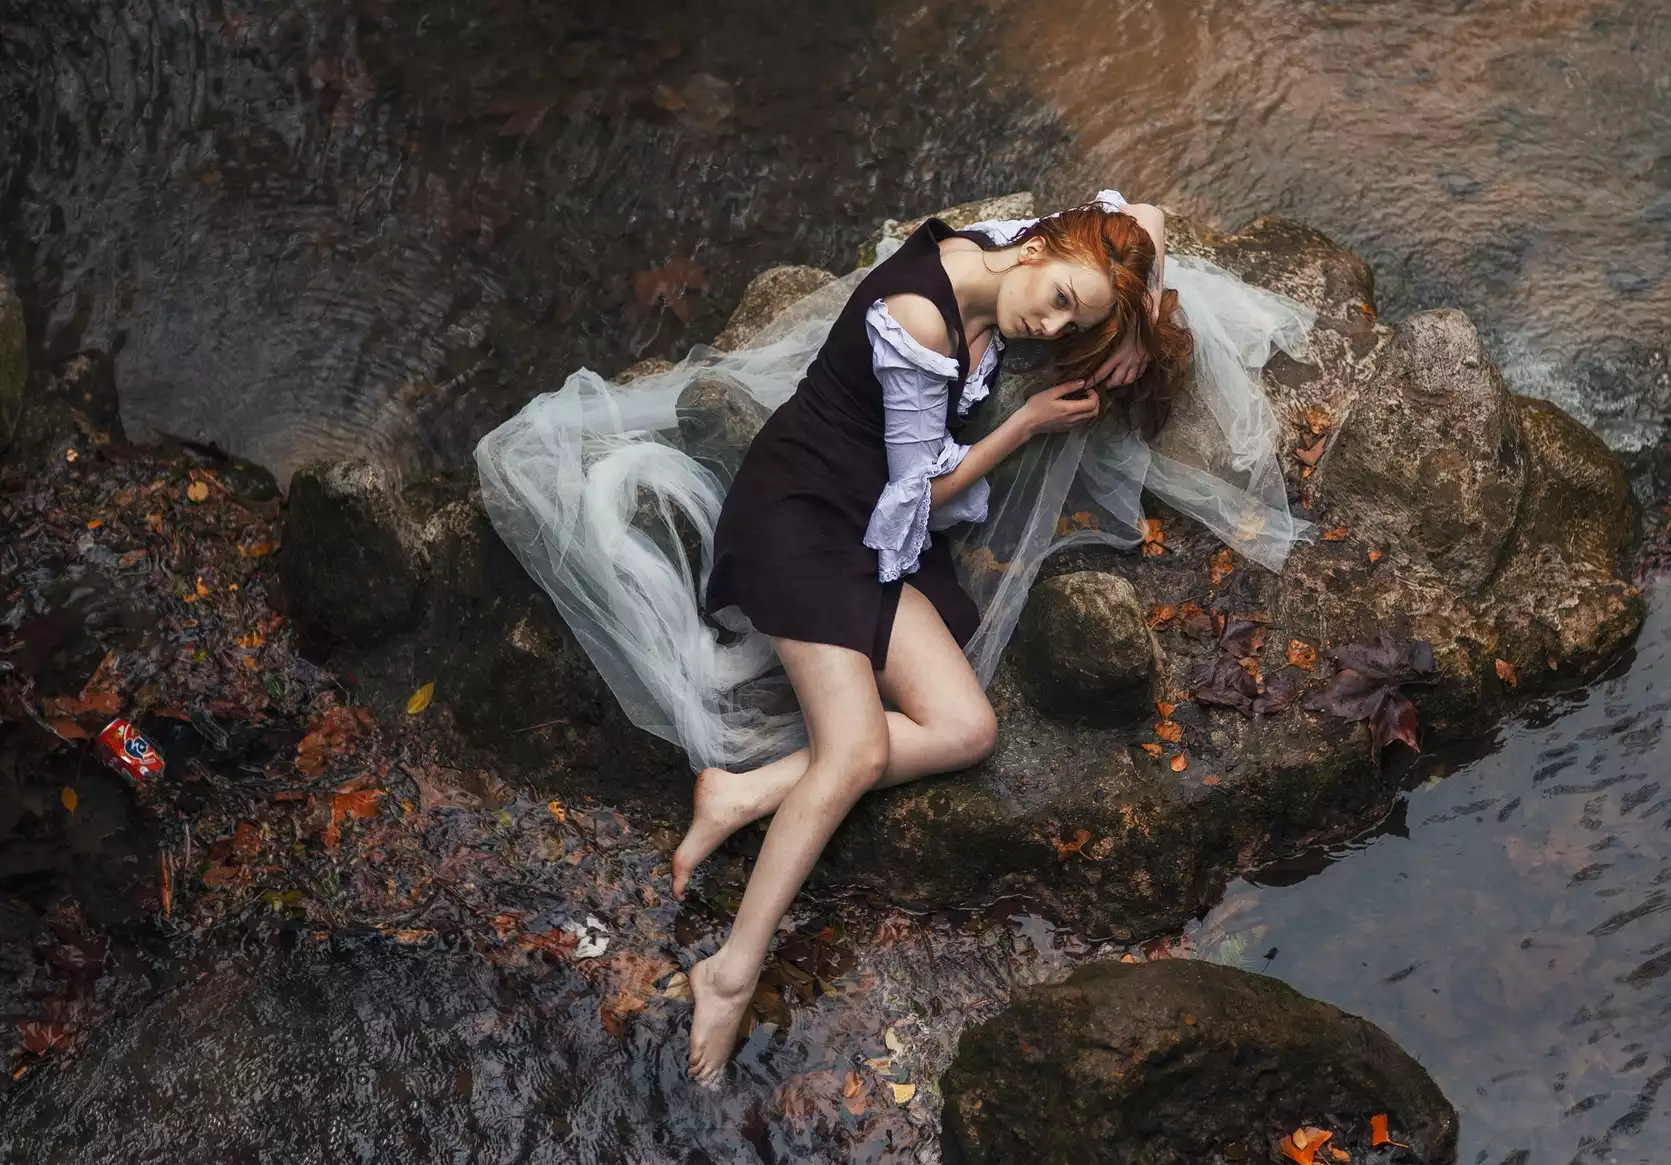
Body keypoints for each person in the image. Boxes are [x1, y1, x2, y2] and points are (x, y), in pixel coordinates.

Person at [473, 190, 1317, 1085]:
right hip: (802, 523)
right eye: (1063, 298)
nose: (1052, 323)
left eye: (1077, 316)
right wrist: (1027, 423)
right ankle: (731, 968)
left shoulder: (1038, 256)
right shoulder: (918, 315)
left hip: (865, 532)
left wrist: (1140, 320)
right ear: (1037, 247)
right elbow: (924, 493)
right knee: (854, 752)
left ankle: (743, 793)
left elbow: (1141, 214)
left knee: (967, 729)